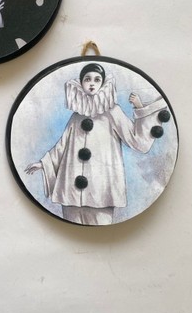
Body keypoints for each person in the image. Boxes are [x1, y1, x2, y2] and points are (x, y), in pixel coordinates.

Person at [25, 63, 169, 225]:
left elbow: (136, 140)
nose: (92, 83)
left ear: (103, 83)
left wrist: (140, 108)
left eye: (97, 79)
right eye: (87, 79)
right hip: (71, 190)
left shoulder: (113, 112)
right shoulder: (76, 116)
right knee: (72, 227)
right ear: (81, 83)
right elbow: (62, 146)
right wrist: (43, 164)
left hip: (102, 189)